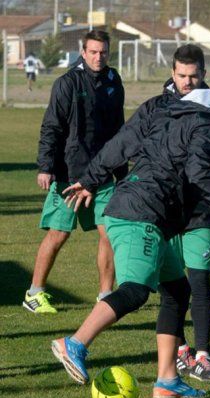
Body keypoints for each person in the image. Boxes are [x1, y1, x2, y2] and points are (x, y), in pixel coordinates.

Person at [51, 88, 210, 398]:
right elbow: (199, 171)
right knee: (135, 291)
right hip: (142, 212)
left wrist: (91, 178)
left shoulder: (171, 109)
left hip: (141, 207)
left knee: (178, 290)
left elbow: (125, 140)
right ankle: (75, 343)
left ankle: (167, 381)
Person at [24, 31, 125, 314]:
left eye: (103, 52)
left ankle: (106, 295)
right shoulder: (67, 83)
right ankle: (35, 292)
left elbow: (119, 129)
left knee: (109, 233)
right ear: (83, 52)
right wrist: (45, 166)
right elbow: (51, 126)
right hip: (70, 174)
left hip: (102, 174)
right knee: (58, 234)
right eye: (93, 52)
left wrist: (121, 169)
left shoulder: (114, 80)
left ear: (108, 52)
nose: (98, 57)